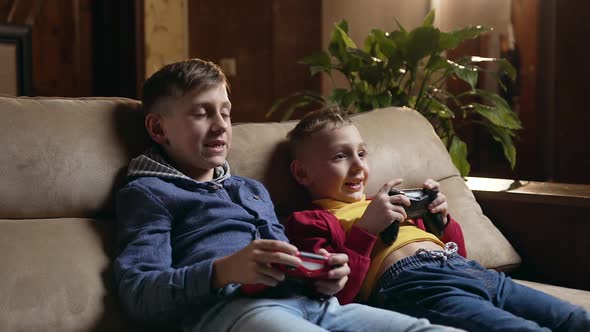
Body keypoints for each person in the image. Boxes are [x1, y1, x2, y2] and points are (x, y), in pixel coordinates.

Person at [113, 58, 459, 332]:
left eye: (225, 112)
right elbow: (139, 295)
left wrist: (323, 277)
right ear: (159, 128)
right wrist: (222, 271)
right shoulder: (149, 193)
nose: (220, 125)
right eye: (201, 113)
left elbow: (290, 261)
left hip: (315, 306)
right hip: (234, 313)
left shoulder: (250, 190)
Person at [284, 108, 590, 332]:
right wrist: (366, 229)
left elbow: (458, 252)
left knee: (575, 319)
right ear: (302, 173)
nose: (358, 167)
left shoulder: (388, 203)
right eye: (340, 156)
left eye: (361, 153)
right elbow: (336, 295)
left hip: (468, 270)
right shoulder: (311, 221)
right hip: (415, 285)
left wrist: (442, 223)